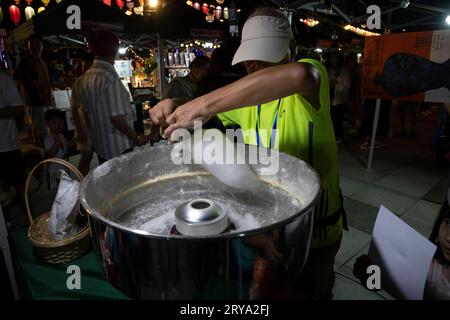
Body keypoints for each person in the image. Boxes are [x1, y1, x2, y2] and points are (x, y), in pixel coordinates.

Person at [150, 7, 345, 300]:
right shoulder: (246, 102)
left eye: (267, 59)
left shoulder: (310, 81)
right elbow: (210, 109)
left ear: (291, 50)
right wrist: (174, 104)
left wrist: (202, 104)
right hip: (271, 227)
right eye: (251, 63)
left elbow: (300, 74)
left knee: (313, 290)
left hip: (315, 229)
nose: (256, 68)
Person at [353, 187, 450, 300]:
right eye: (448, 222)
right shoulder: (431, 266)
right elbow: (400, 287)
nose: (448, 237)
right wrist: (373, 276)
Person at [71, 30, 148, 164]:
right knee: (124, 182)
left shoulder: (84, 78)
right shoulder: (109, 78)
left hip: (101, 144)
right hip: (118, 145)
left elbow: (80, 109)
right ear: (115, 49)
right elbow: (116, 117)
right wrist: (135, 136)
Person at [17, 34, 52, 148]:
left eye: (37, 44)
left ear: (42, 46)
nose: (34, 47)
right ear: (28, 46)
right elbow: (32, 83)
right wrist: (53, 84)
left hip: (45, 101)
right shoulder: (26, 62)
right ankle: (42, 154)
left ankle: (45, 152)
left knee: (45, 129)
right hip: (34, 102)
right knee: (40, 131)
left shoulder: (42, 61)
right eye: (31, 44)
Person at [0, 70, 25, 207]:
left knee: (18, 183)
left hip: (6, 144)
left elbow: (18, 108)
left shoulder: (3, 78)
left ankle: (30, 221)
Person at [71, 53, 94, 176]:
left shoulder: (97, 81)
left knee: (97, 156)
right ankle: (81, 183)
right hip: (84, 126)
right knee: (86, 156)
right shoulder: (79, 83)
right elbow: (74, 109)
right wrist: (79, 130)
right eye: (85, 66)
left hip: (96, 126)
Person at [43, 109, 73, 192]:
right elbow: (50, 153)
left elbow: (68, 144)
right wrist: (56, 143)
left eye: (61, 122)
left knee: (66, 187)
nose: (59, 125)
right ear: (47, 124)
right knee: (58, 190)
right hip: (54, 169)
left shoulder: (61, 135)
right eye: (55, 122)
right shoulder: (48, 138)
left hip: (64, 166)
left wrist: (76, 138)